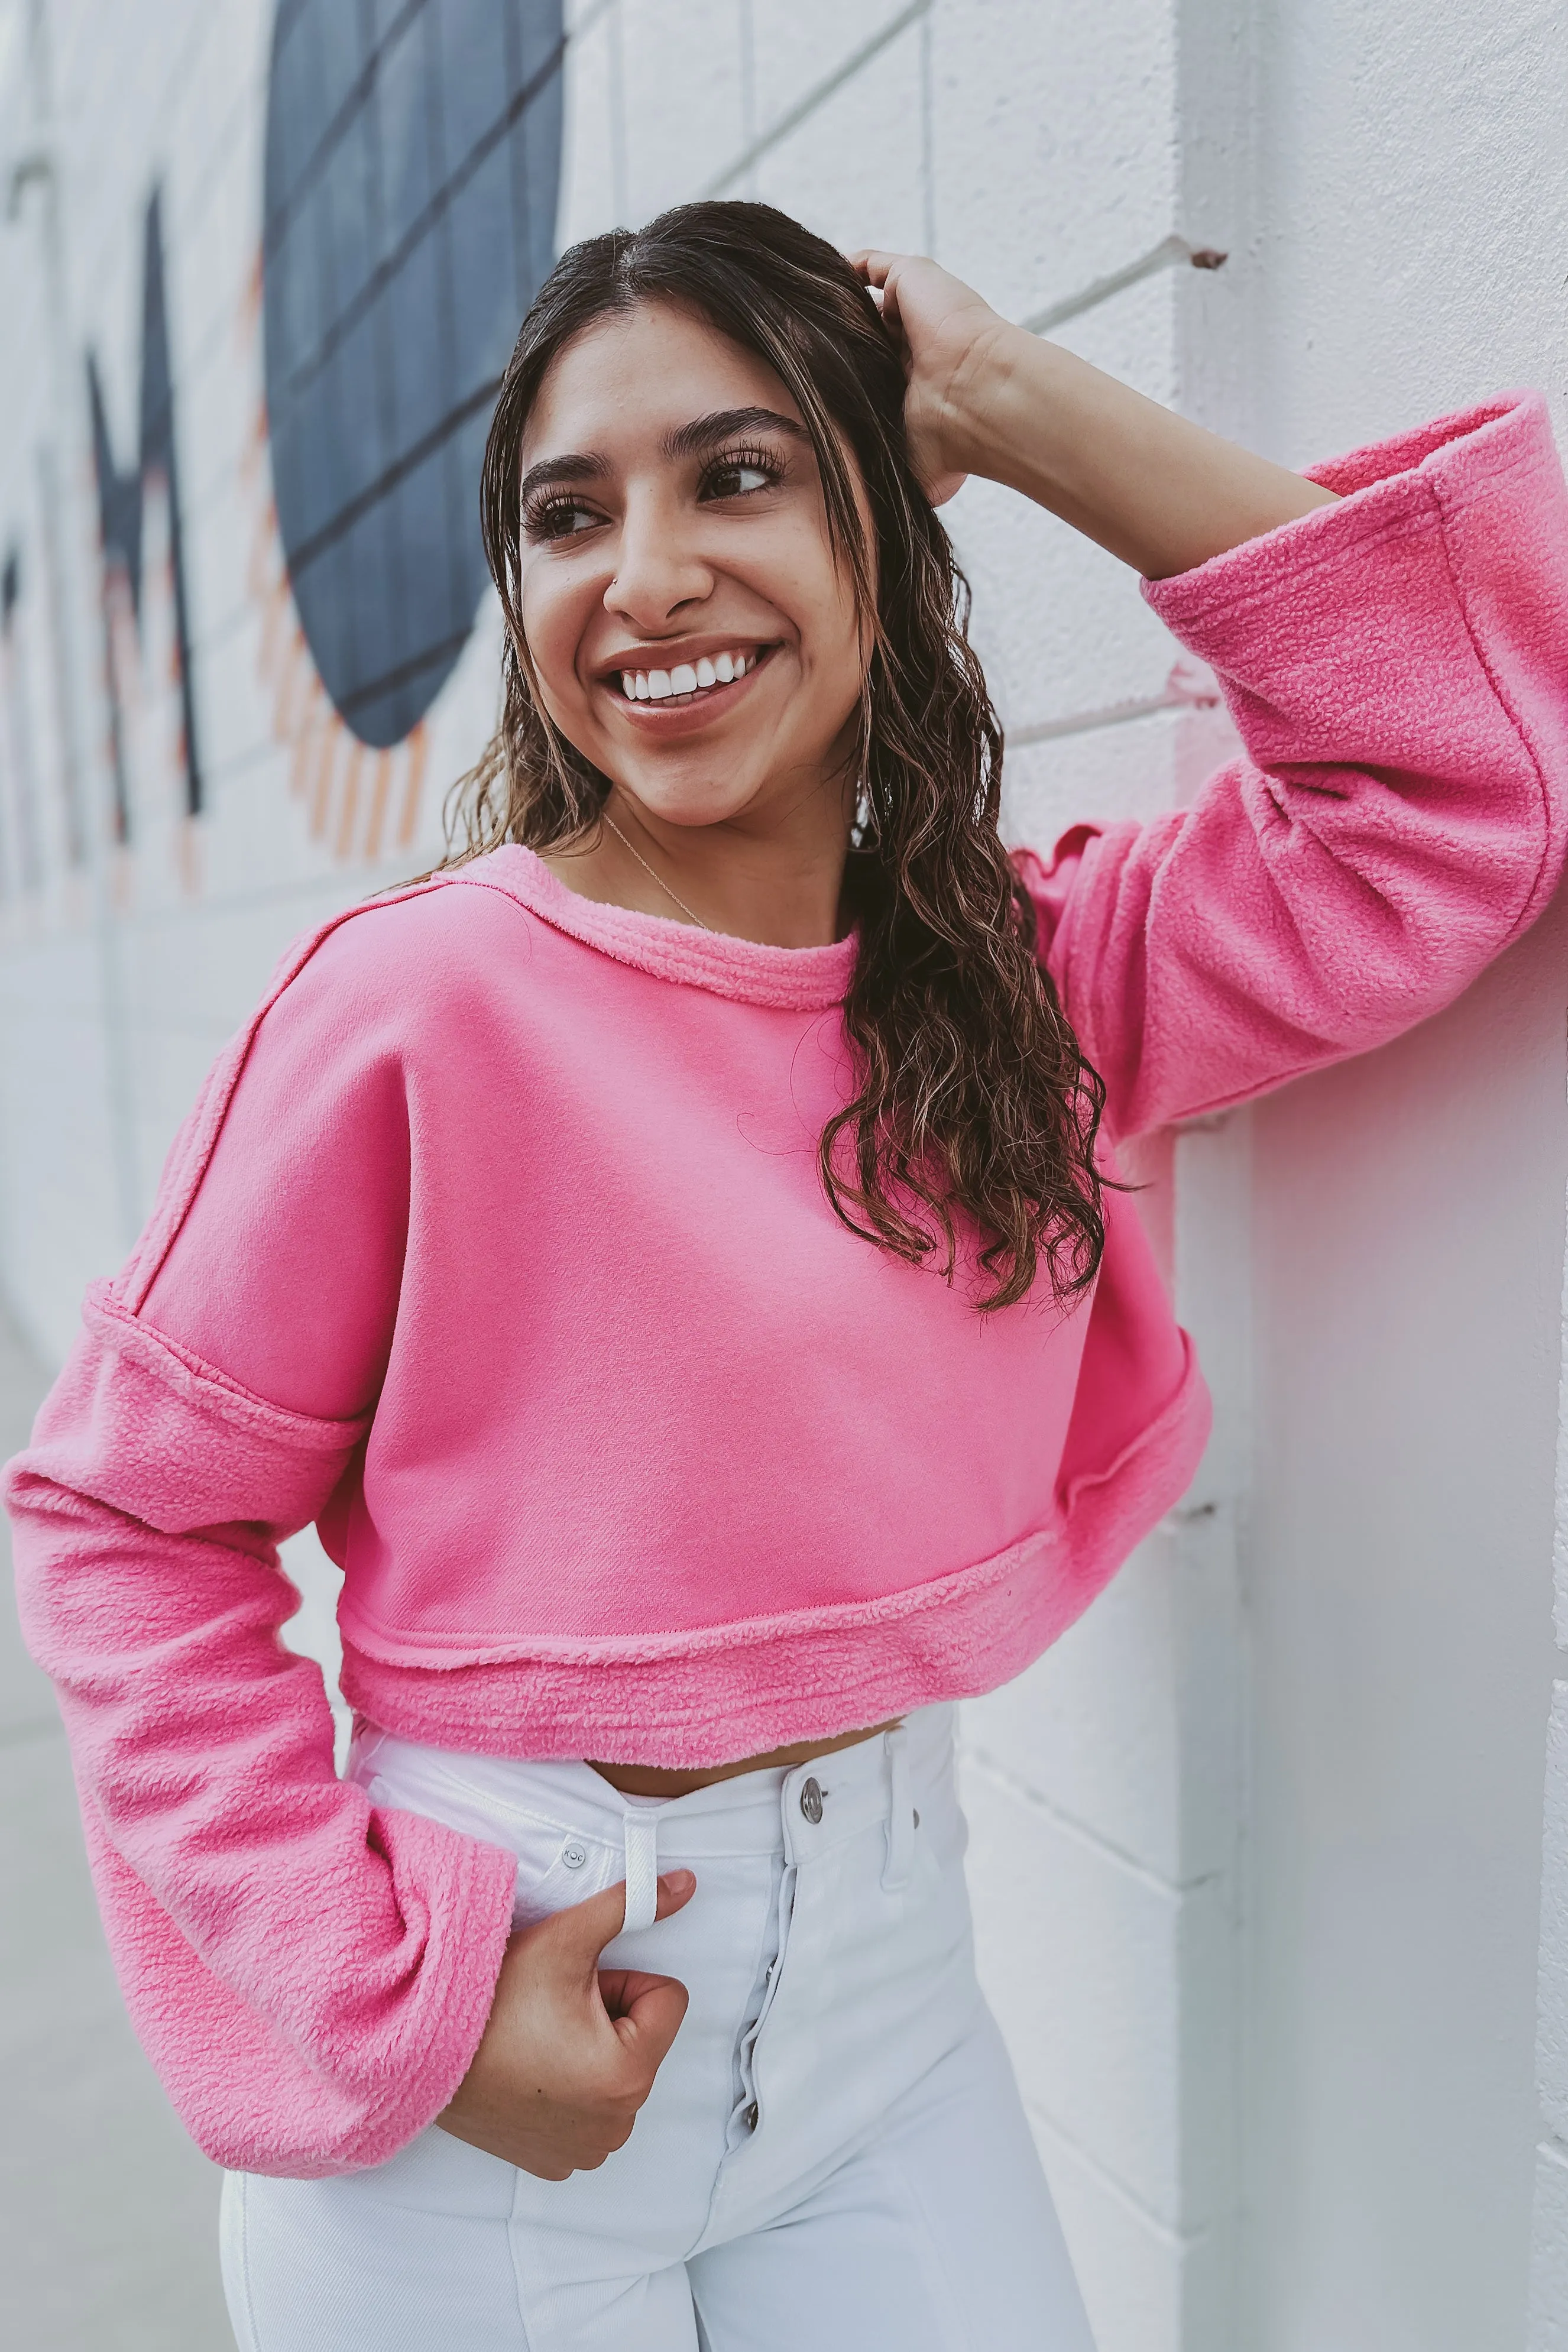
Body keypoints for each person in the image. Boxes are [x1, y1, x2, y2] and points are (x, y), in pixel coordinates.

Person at [9, 199, 1568, 2352]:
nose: (643, 575)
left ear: (881, 533)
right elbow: (116, 1516)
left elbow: (1454, 784)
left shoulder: (1034, 985)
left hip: (892, 1993)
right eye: (569, 515)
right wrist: (406, 2006)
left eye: (737, 473)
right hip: (507, 2012)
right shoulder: (417, 1005)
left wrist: (1010, 404)